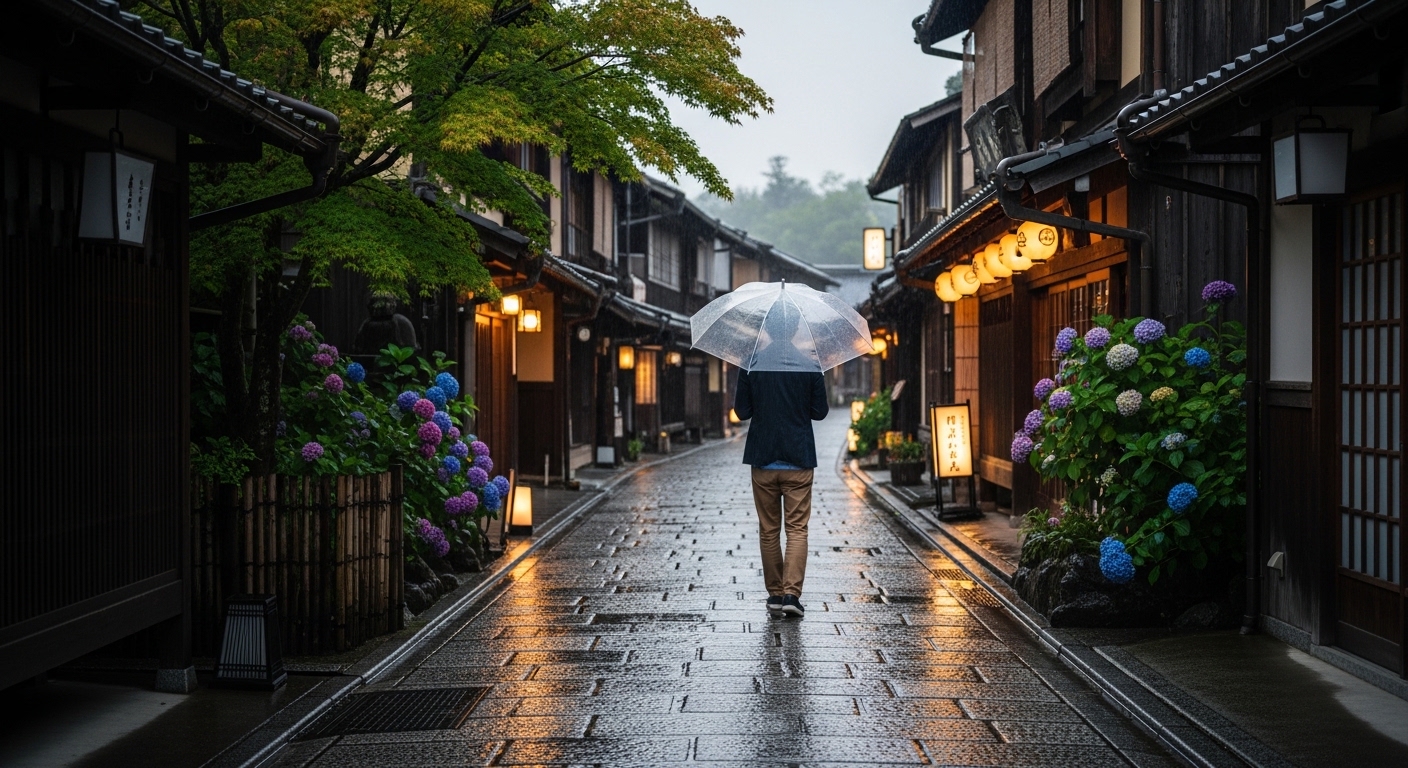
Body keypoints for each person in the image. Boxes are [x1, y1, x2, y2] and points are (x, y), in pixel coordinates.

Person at [732, 304, 829, 618]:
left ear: (768, 330)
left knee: (769, 529)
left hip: (763, 457)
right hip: (799, 458)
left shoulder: (751, 364)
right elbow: (820, 412)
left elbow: (742, 412)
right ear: (795, 330)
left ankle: (774, 595)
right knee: (797, 529)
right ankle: (791, 594)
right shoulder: (810, 364)